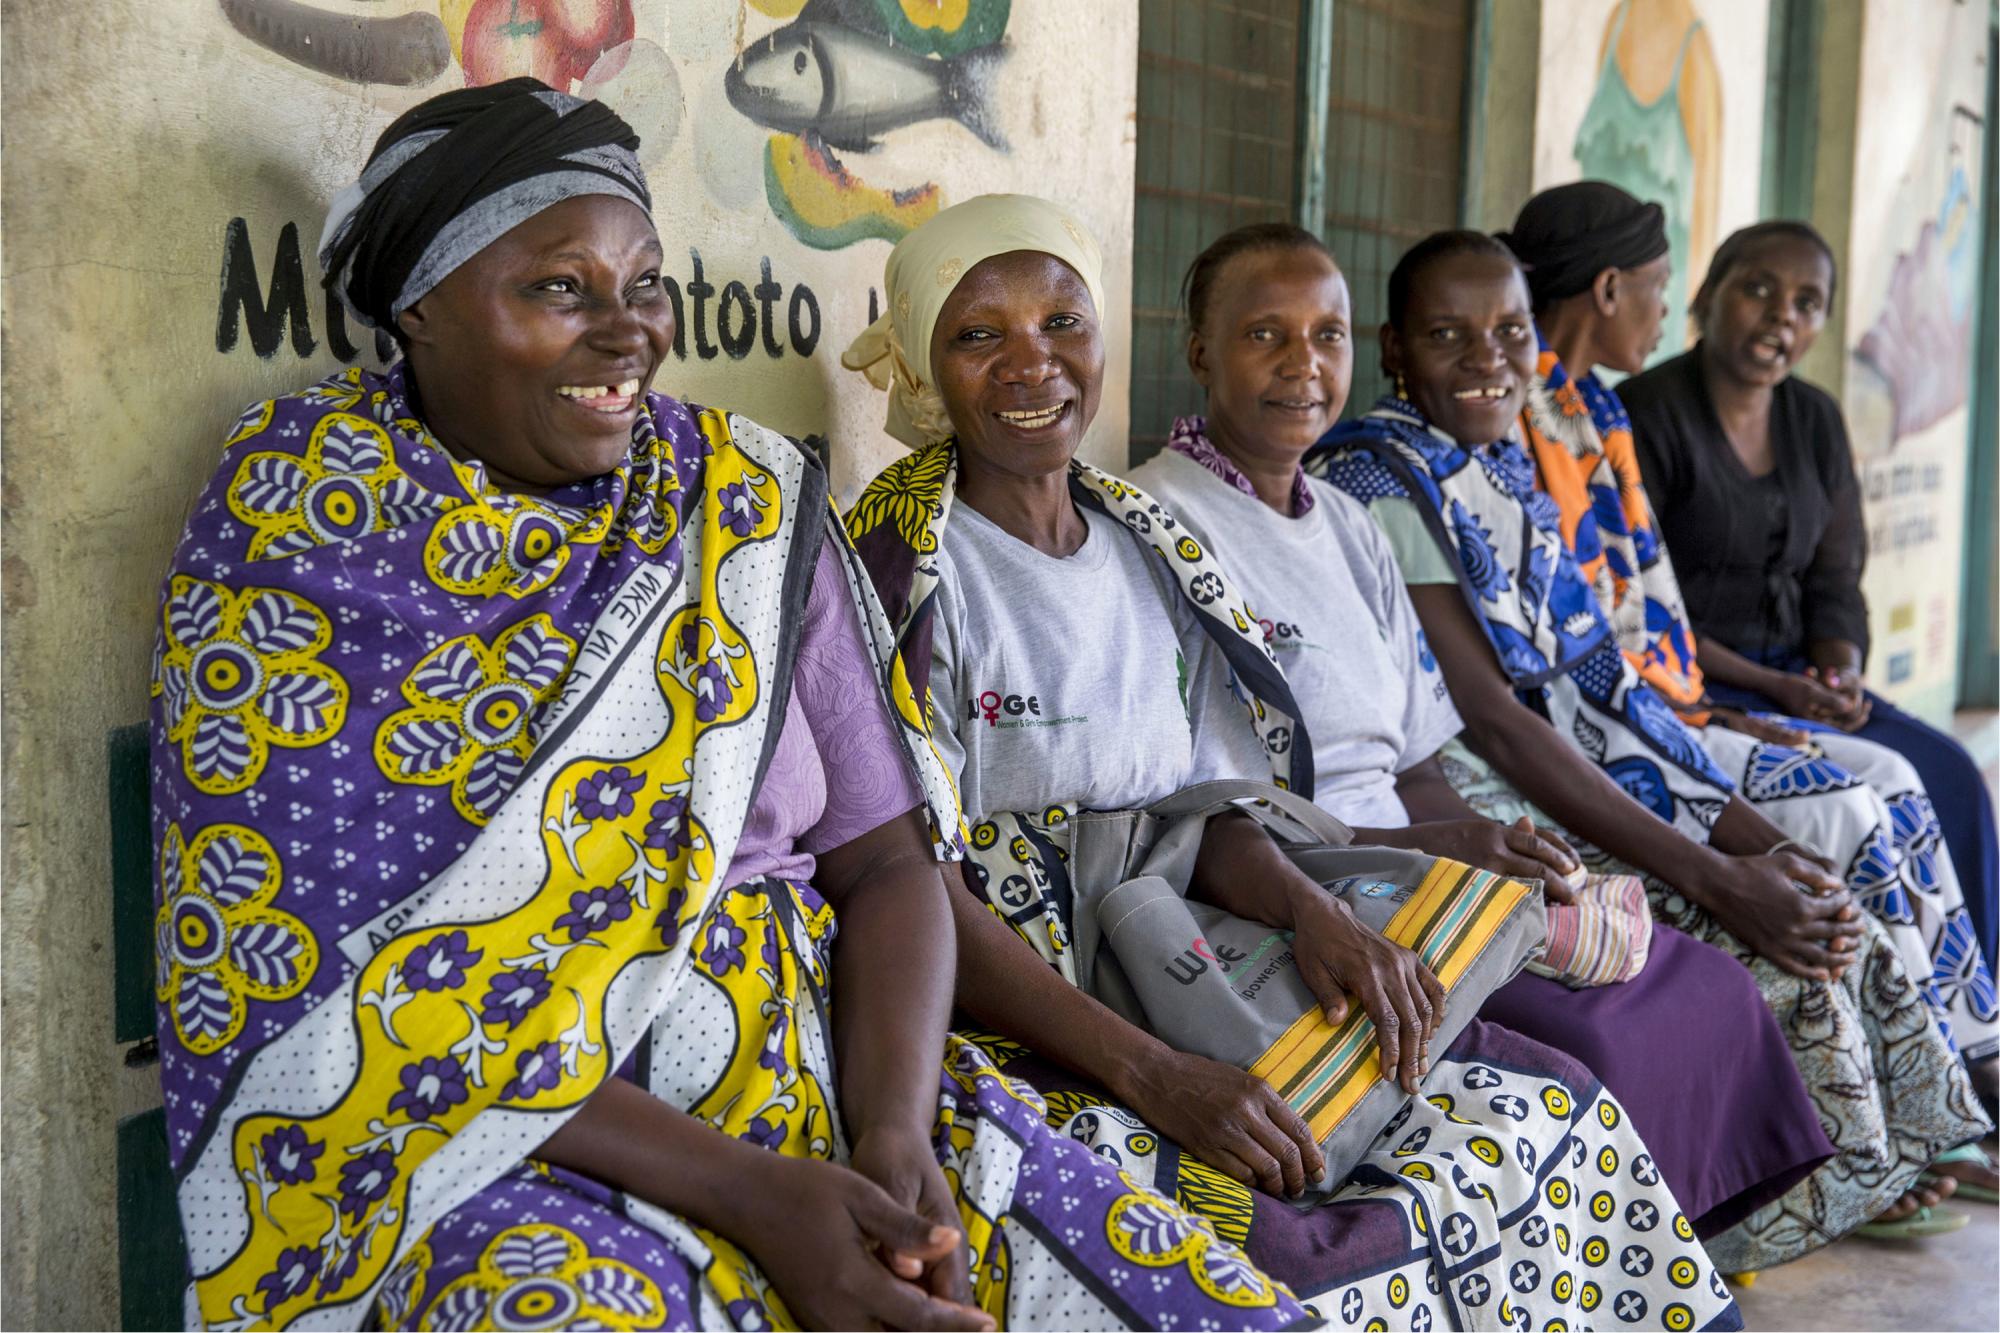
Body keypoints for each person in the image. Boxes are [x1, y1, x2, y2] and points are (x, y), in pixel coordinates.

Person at [148, 81, 1322, 1332]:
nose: (627, 332)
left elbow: (883, 861)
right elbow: (331, 989)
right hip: (492, 1142)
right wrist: (760, 1197)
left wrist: (889, 1131)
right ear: (421, 309)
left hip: (828, 1080)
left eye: (643, 283)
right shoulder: (311, 527)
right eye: (559, 288)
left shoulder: (738, 497)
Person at [844, 193, 1741, 1329]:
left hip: (1178, 954)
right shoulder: (904, 571)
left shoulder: (1141, 542)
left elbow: (1191, 808)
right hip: (1020, 1021)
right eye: (979, 334)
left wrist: (1317, 918)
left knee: (1550, 1113)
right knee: (1307, 1244)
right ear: (925, 359)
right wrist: (1151, 1076)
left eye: (1061, 323)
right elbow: (908, 891)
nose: (1032, 365)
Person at [1128, 220, 1834, 1245]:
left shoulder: (1343, 521)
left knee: (1702, 986)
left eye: (1324, 336)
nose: (1301, 366)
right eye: (1263, 336)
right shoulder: (1156, 525)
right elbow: (1206, 816)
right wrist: (1426, 856)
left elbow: (1417, 756)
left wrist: (1485, 848)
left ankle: (1669, 1269)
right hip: (1301, 903)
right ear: (1198, 351)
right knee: (1602, 1047)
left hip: (1410, 872)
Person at [1308, 227, 1993, 1268]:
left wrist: (1752, 839)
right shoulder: (1373, 476)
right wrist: (1716, 875)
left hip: (1586, 752)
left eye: (1508, 332)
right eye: (1447, 334)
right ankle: (1789, 1186)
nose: (1487, 358)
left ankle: (1901, 1132)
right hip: (1493, 782)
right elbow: (1494, 720)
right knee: (1761, 935)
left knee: (1821, 861)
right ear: (1393, 351)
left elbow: (1599, 675)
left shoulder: (1505, 465)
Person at [1621, 218, 2000, 1061]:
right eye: (1756, 289)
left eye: (1806, 303)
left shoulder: (1816, 420)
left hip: (1797, 673)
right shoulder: (1645, 417)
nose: (1779, 319)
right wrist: (1784, 687)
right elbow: (1646, 611)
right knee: (1875, 797)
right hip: (1696, 683)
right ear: (1707, 293)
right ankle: (1922, 1053)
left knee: (1953, 777)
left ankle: (1976, 1034)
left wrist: (1841, 668)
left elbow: (1837, 577)